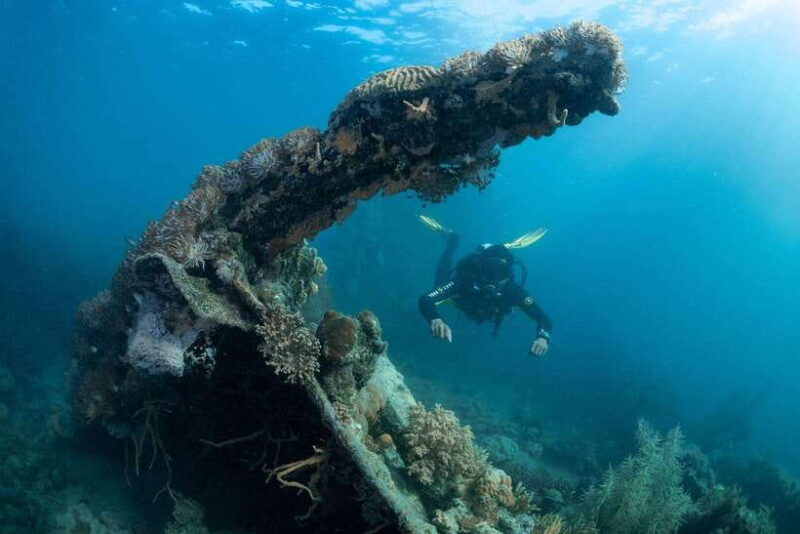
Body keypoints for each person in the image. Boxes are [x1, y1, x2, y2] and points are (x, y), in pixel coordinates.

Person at [417, 215, 552, 357]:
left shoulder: (513, 292)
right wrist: (435, 319)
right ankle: (452, 242)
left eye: (501, 272)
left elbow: (543, 319)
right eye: (489, 271)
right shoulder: (464, 281)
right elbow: (426, 299)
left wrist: (543, 337)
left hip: (474, 304)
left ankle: (502, 249)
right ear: (481, 269)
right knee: (439, 283)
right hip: (458, 299)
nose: (494, 279)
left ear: (509, 276)